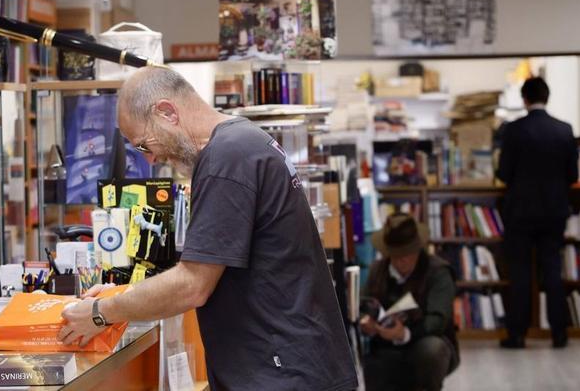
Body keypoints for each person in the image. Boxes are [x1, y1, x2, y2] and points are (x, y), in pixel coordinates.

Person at [60, 66, 358, 390]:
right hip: (290, 367)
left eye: (144, 144)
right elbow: (212, 260)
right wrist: (124, 293)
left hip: (281, 373)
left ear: (167, 112)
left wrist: (101, 312)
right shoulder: (242, 142)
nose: (150, 160)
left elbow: (192, 284)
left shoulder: (226, 158)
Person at [496, 77, 578, 349]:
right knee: (552, 271)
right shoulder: (565, 130)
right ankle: (559, 333)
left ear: (524, 99)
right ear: (548, 97)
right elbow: (572, 175)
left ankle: (518, 334)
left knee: (520, 273)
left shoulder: (513, 130)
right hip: (554, 210)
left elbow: (504, 173)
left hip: (520, 210)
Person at [360, 213, 459, 391]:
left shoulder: (438, 272)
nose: (402, 260)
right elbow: (364, 305)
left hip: (425, 342)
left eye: (407, 253)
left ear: (418, 249)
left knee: (432, 350)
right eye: (396, 255)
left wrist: (405, 333)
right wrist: (367, 323)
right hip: (384, 347)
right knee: (373, 363)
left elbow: (439, 319)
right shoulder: (377, 270)